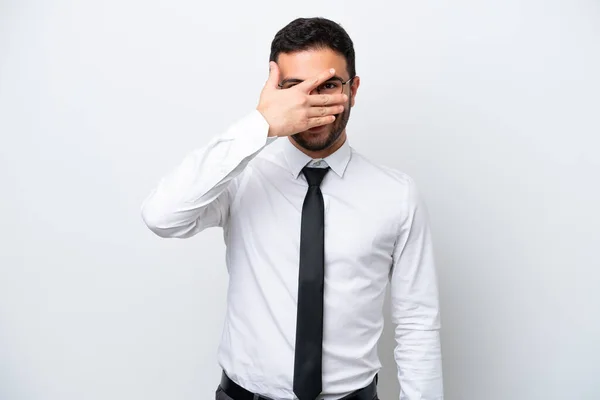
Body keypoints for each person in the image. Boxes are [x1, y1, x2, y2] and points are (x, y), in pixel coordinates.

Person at [141, 17, 443, 400]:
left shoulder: (397, 195)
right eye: (293, 88)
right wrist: (261, 123)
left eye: (329, 86)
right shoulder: (239, 178)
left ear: (354, 89)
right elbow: (161, 216)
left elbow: (417, 324)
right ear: (274, 93)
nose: (310, 103)